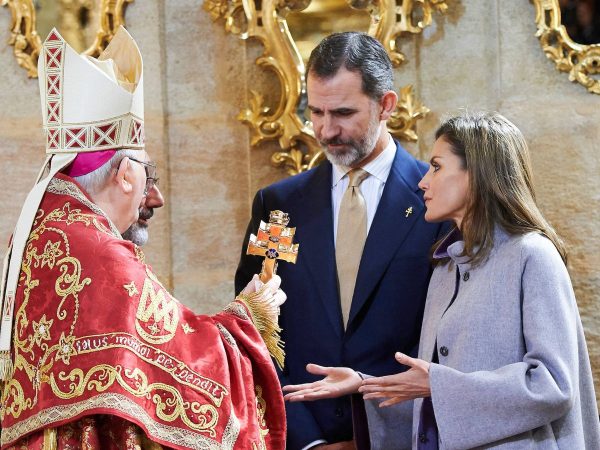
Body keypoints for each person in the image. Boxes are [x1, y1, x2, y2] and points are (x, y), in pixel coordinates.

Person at [0, 27, 287, 449]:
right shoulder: (98, 253)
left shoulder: (40, 233)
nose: (158, 196)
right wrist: (251, 316)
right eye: (148, 175)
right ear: (124, 175)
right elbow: (189, 367)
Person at [283, 111, 600, 449]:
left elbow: (553, 385)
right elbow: (436, 399)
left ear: (476, 174)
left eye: (436, 166)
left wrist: (437, 385)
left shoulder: (533, 255)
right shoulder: (445, 268)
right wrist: (365, 385)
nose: (423, 181)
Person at [235, 32, 447, 449]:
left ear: (386, 104)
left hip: (405, 435)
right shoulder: (279, 207)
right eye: (315, 111)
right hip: (300, 435)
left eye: (344, 113)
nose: (326, 130)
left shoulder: (437, 202)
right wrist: (306, 440)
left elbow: (451, 342)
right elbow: (254, 328)